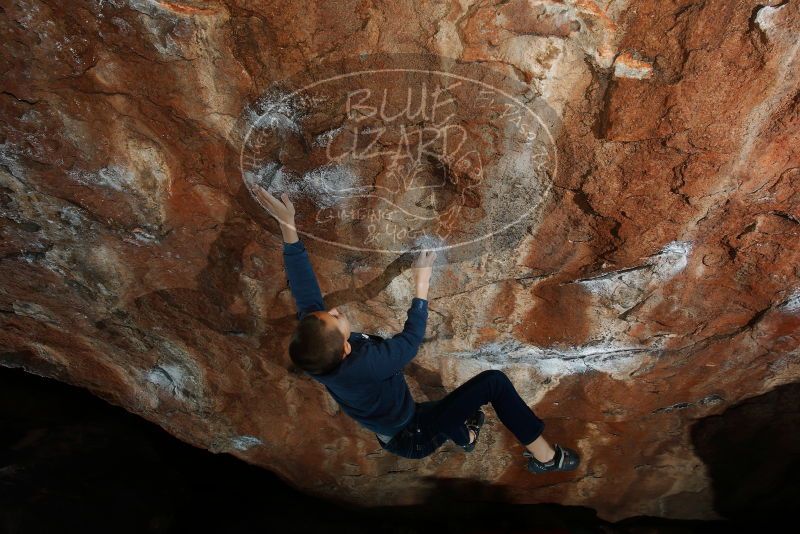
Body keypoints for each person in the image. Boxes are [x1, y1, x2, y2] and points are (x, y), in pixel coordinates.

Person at [254, 185, 580, 473]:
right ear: (346, 349)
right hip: (414, 435)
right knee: (493, 384)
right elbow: (410, 342)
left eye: (327, 314)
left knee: (453, 412)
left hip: (400, 424)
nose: (334, 310)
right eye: (336, 319)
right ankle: (547, 458)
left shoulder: (319, 356)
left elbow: (306, 294)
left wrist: (287, 225)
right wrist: (421, 284)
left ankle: (466, 437)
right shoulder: (365, 365)